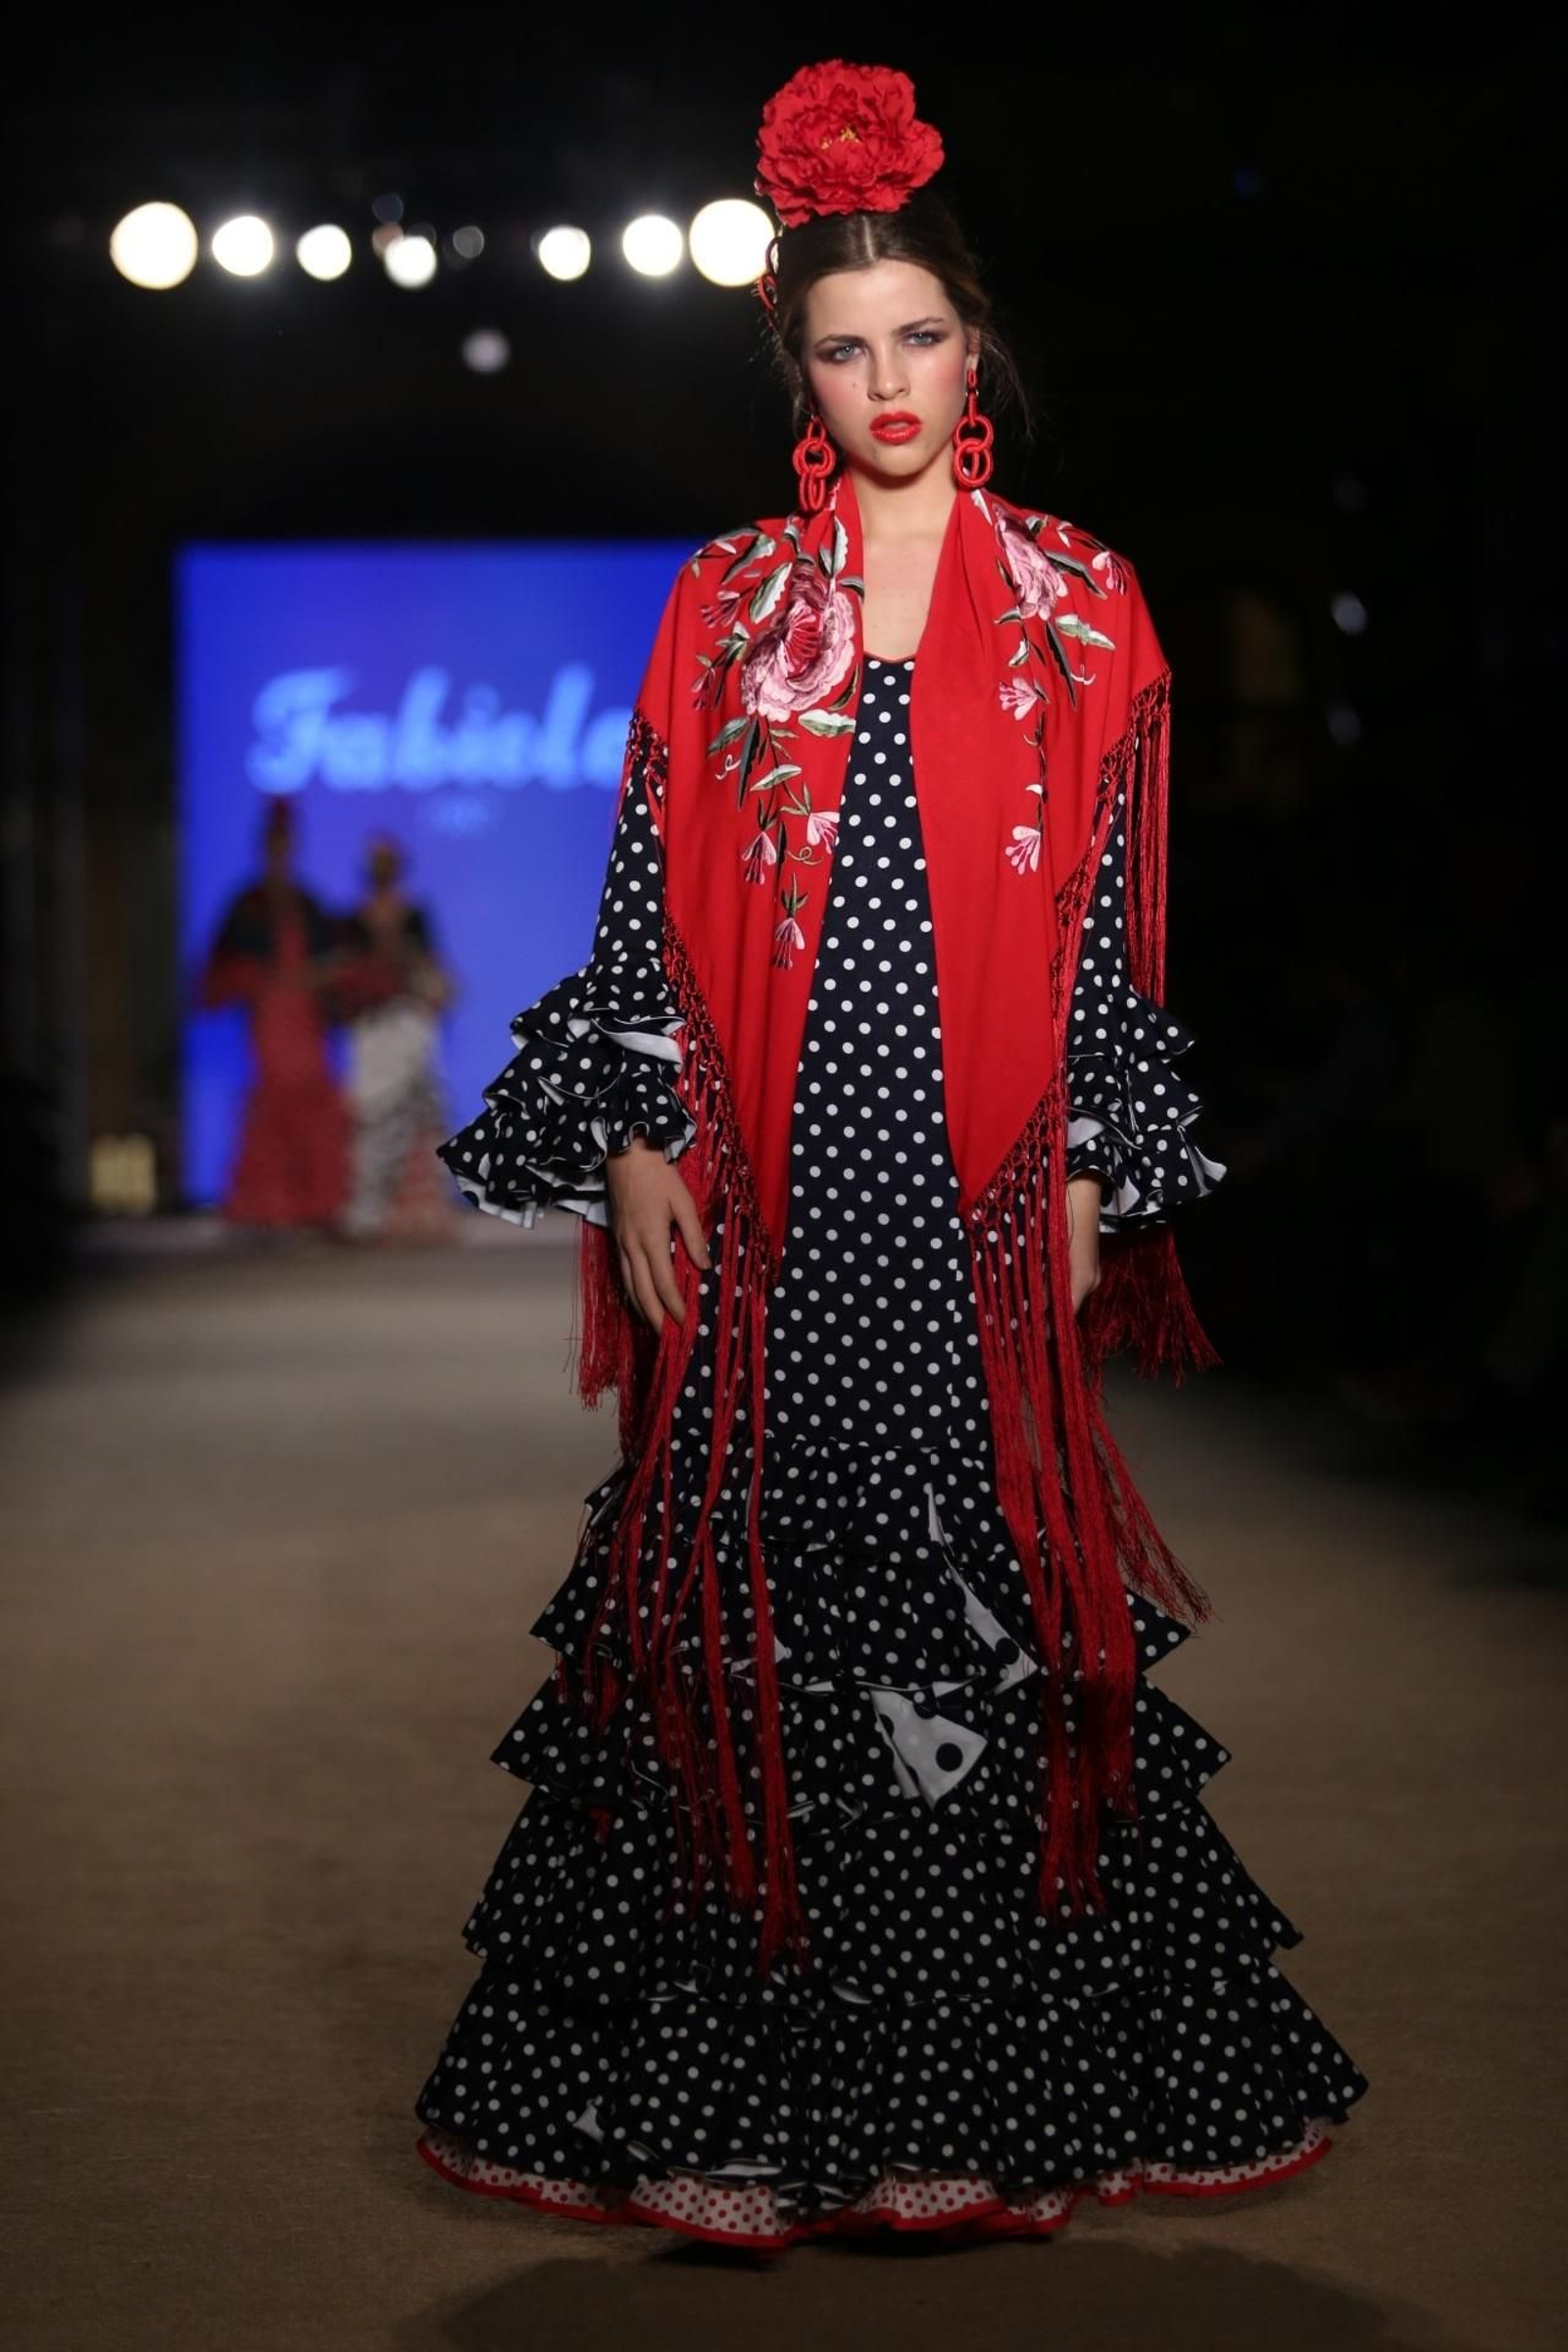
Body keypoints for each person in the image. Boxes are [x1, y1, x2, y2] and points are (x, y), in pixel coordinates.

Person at [414, 60, 1369, 2252]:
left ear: (975, 345)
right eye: (839, 350)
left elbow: (1116, 915)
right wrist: (639, 1132)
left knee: (962, 1623)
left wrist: (1081, 1179)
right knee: (738, 1604)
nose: (884, 382)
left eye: (917, 337)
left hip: (976, 1177)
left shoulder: (1079, 602)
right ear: (795, 369)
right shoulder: (726, 598)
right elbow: (644, 896)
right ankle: (732, 2101)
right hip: (756, 1188)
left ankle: (957, 2093)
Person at [196, 797, 349, 1234]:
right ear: (264, 846)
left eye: (287, 843)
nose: (282, 851)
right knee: (275, 1101)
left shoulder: (307, 902)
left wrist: (314, 980)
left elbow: (333, 963)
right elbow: (220, 969)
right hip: (271, 1018)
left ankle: (314, 1205)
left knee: (311, 1100)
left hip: (305, 1018)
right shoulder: (248, 903)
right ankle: (269, 1207)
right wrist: (262, 982)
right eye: (275, 843)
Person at [334, 834, 456, 1243]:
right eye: (377, 861)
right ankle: (368, 1211)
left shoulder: (415, 916)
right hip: (372, 1031)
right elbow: (345, 976)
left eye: (389, 861)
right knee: (369, 1117)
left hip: (409, 1025)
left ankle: (415, 1217)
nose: (383, 868)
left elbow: (434, 971)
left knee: (417, 1116)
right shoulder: (353, 920)